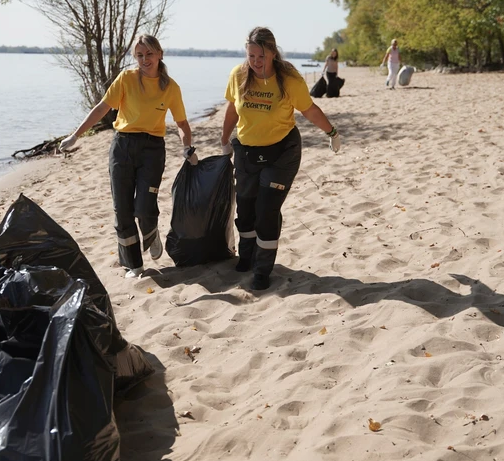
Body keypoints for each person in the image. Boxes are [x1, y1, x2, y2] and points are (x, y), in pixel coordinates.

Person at [59, 34, 198, 278]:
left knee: (144, 207)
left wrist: (187, 147)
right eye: (140, 55)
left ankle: (150, 231)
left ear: (160, 55)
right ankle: (134, 265)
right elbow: (102, 107)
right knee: (122, 210)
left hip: (153, 150)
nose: (145, 60)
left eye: (150, 54)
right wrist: (75, 136)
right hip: (122, 147)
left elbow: (181, 122)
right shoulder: (126, 78)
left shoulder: (170, 87)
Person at [220, 26, 341, 291]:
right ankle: (247, 255)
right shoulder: (239, 75)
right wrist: (224, 138)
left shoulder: (289, 79)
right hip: (247, 151)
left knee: (266, 211)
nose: (255, 62)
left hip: (281, 153)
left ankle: (262, 270)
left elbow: (309, 109)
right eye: (251, 56)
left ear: (273, 53)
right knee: (246, 208)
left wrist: (331, 131)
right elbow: (232, 108)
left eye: (261, 56)